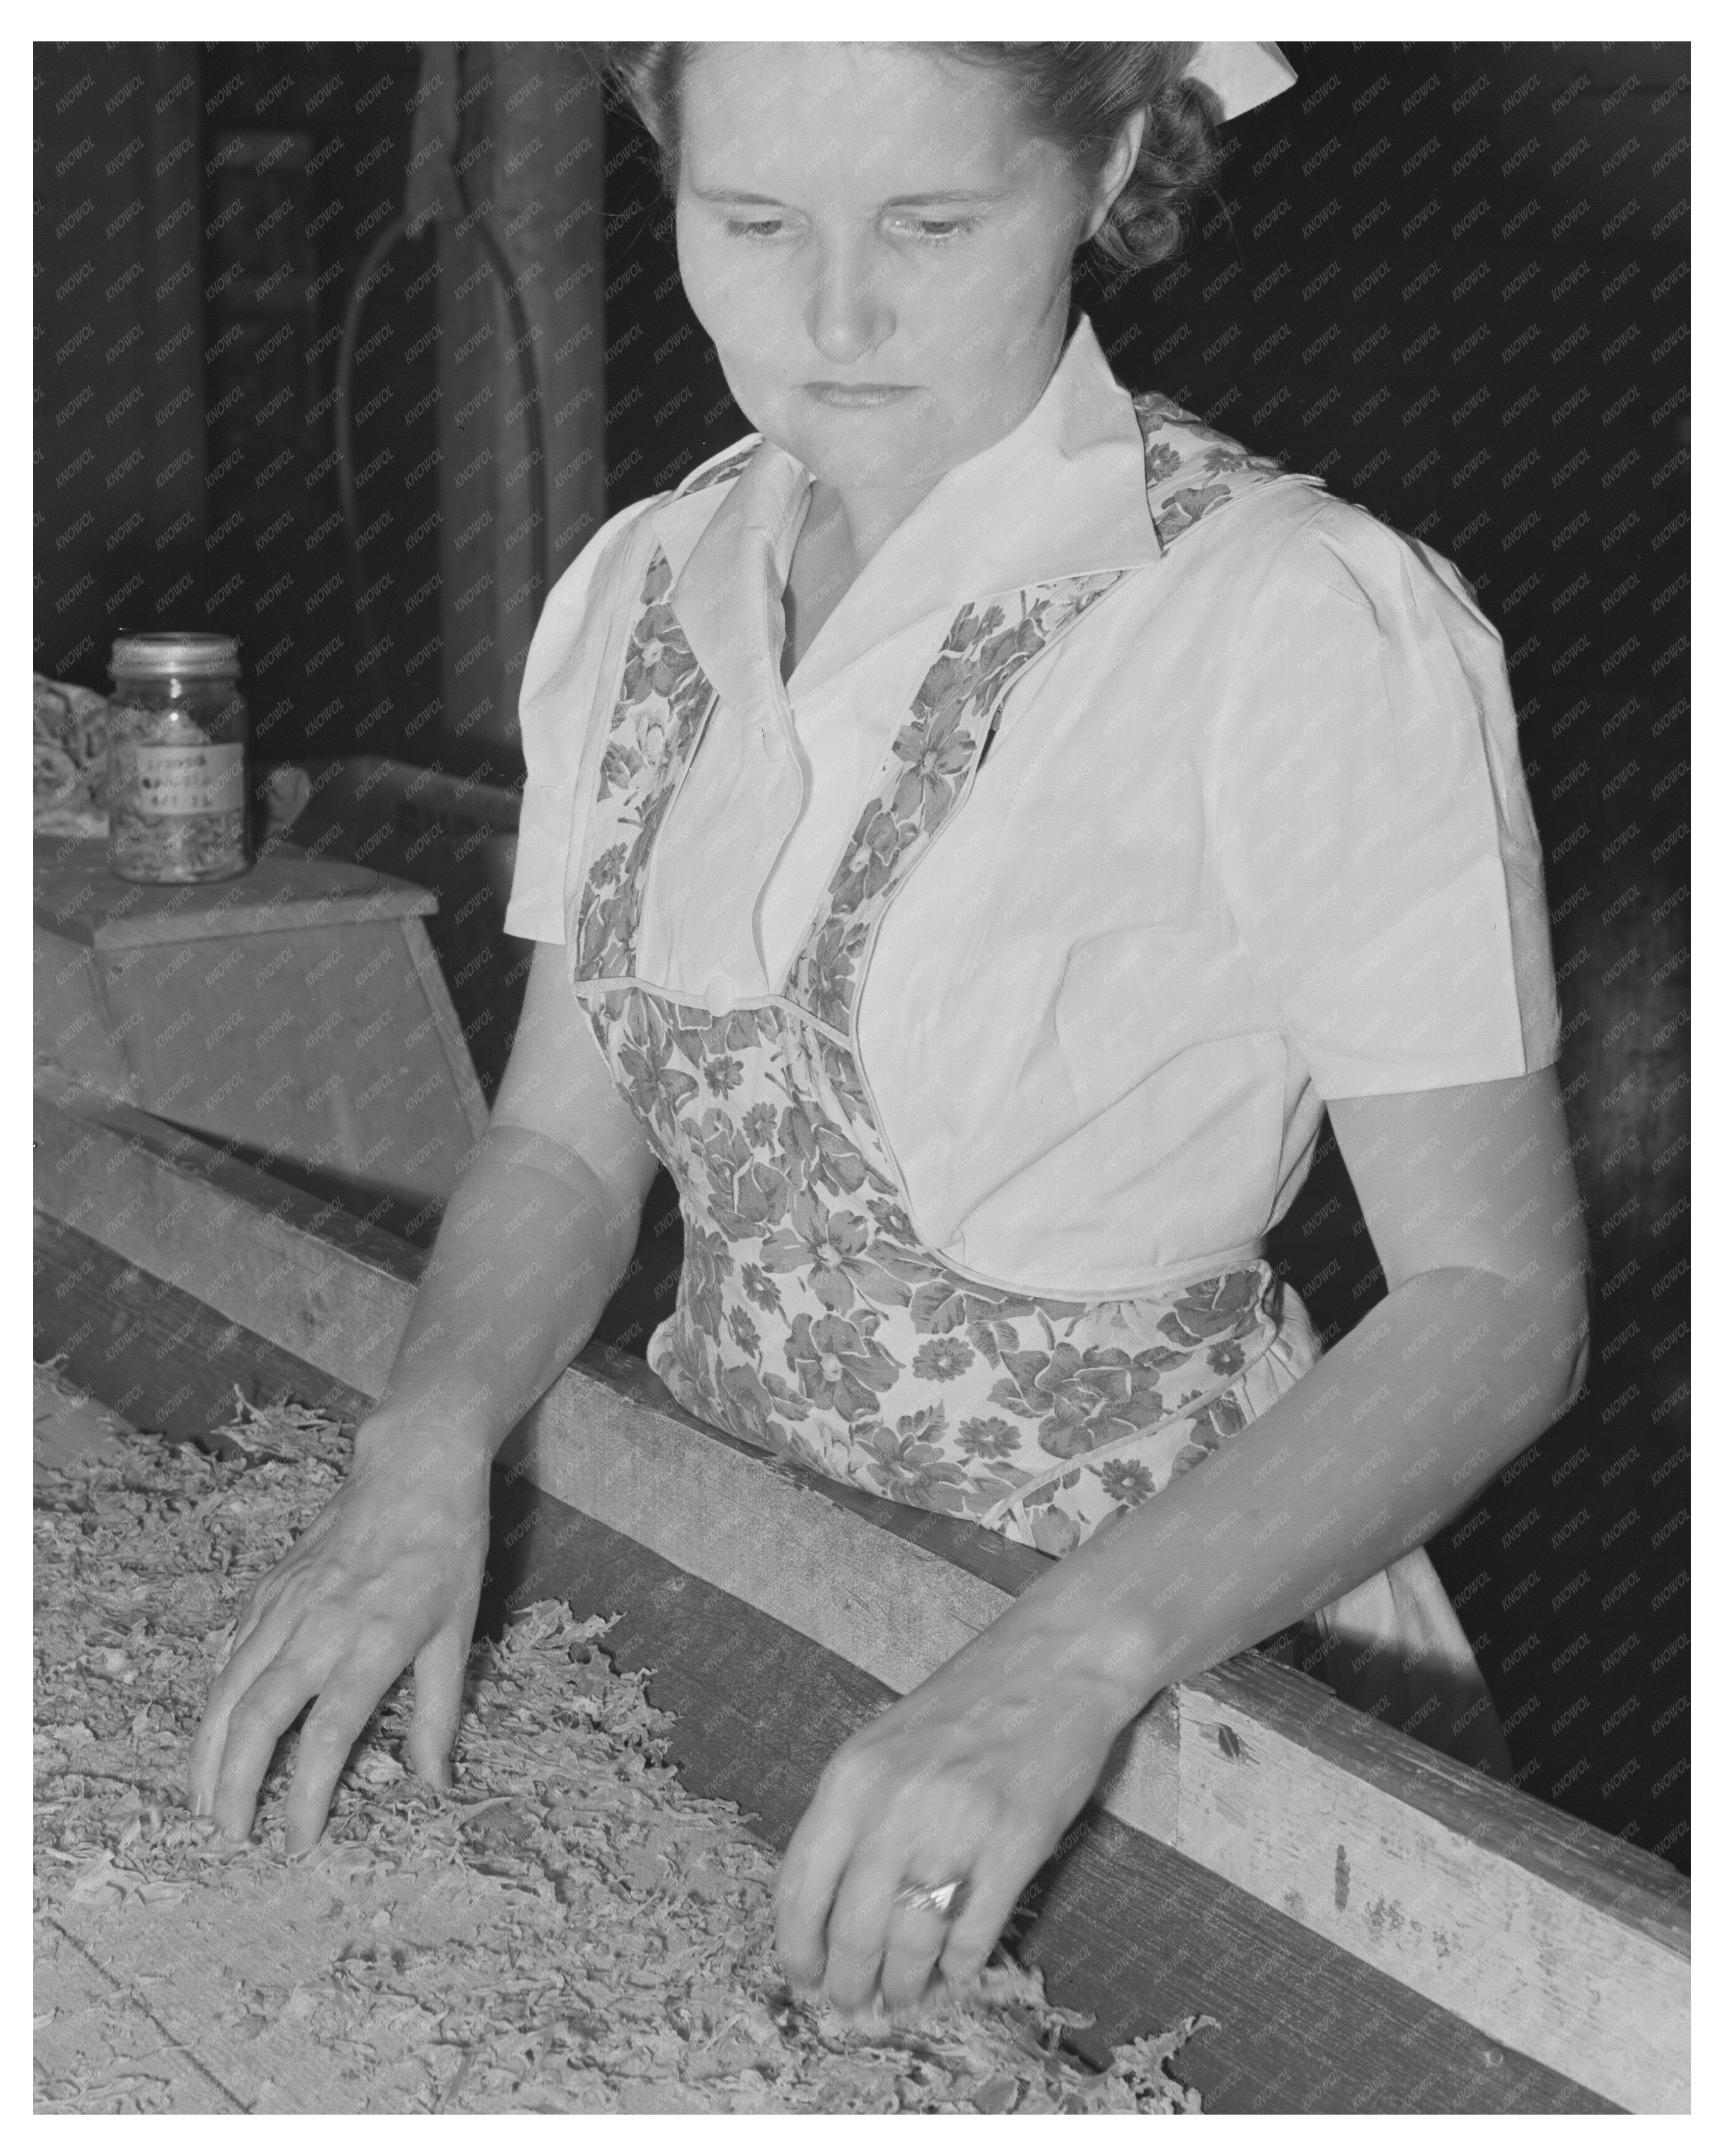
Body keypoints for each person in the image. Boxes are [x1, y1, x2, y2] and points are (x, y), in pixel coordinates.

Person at [192, 41, 1590, 2028]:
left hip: (1170, 1657)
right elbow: (566, 1148)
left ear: (1103, 165)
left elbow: (1494, 1304)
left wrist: (1061, 1670)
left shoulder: (1286, 620)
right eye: (749, 224)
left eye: (931, 227)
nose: (831, 318)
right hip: (745, 1560)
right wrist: (420, 1453)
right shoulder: (637, 596)